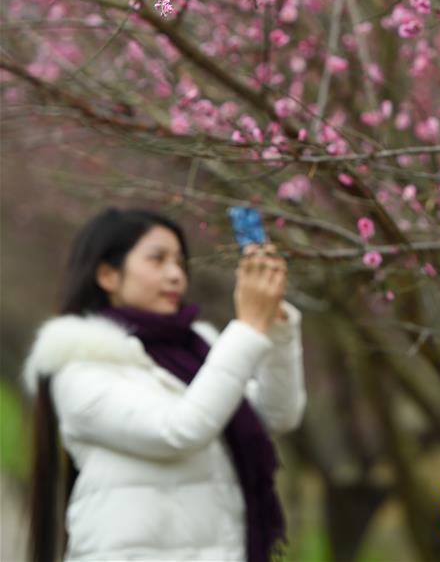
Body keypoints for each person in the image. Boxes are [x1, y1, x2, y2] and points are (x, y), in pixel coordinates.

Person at [20, 206, 307, 562]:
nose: (175, 275)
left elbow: (275, 414)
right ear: (108, 275)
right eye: (157, 260)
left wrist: (273, 327)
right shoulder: (79, 365)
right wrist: (247, 329)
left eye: (179, 262)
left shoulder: (197, 351)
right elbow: (177, 430)